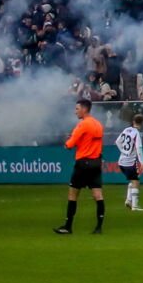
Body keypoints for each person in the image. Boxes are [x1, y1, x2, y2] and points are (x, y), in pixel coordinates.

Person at [55, 99, 105, 235]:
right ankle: (99, 227)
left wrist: (67, 142)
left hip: (83, 163)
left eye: (77, 109)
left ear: (84, 109)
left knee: (73, 194)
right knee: (98, 195)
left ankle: (68, 226)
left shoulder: (82, 125)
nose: (75, 111)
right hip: (96, 162)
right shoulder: (98, 124)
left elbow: (70, 144)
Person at [116, 113, 143, 212]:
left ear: (133, 121)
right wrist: (142, 163)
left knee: (133, 179)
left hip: (121, 161)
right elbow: (139, 148)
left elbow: (117, 142)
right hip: (129, 162)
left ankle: (129, 201)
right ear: (142, 123)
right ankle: (135, 206)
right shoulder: (137, 133)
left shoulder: (126, 130)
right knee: (135, 181)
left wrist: (123, 151)